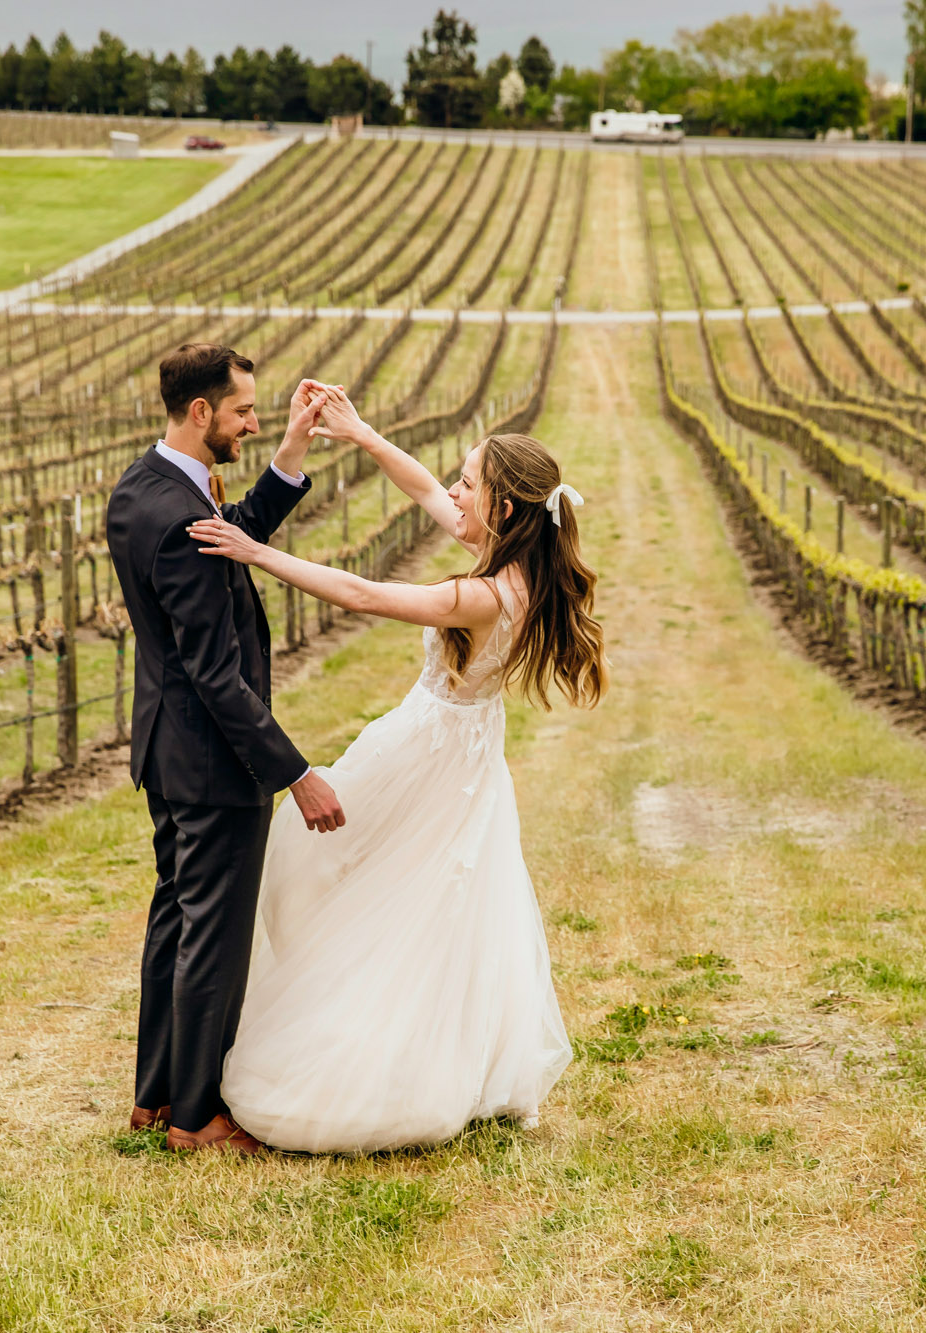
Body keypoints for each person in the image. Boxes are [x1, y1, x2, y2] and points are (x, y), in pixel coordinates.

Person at [188, 387, 607, 1153]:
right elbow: (419, 485)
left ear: (504, 510)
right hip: (465, 748)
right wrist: (360, 432)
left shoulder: (484, 594)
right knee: (414, 892)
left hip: (430, 747)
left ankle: (362, 1055)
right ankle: (392, 1037)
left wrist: (255, 551)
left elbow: (363, 593)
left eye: (469, 483)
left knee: (355, 875)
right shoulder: (515, 560)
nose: (453, 491)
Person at [104, 344, 346, 1156]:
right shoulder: (177, 516)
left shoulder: (145, 487)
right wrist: (297, 772)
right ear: (201, 412)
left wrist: (289, 452)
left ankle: (154, 1096)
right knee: (213, 931)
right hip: (213, 764)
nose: (252, 420)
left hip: (167, 753)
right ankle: (195, 1118)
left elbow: (230, 536)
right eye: (244, 411)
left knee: (175, 917)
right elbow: (215, 674)